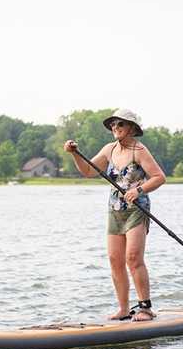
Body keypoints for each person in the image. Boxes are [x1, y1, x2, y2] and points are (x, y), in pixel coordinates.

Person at [64, 109, 166, 321]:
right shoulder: (109, 150)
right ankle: (123, 309)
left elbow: (158, 177)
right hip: (114, 209)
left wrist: (138, 190)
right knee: (114, 259)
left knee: (133, 258)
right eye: (112, 125)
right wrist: (74, 153)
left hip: (137, 209)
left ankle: (145, 308)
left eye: (120, 124)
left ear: (131, 127)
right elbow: (88, 172)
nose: (115, 128)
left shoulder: (139, 150)